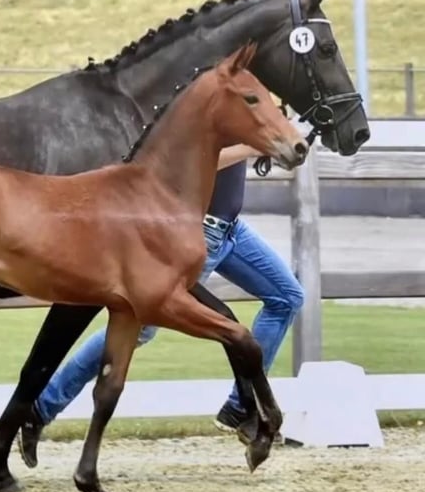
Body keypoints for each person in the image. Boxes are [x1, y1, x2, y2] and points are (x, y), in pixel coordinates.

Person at [17, 144, 305, 467]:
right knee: (138, 330)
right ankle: (40, 408)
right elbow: (192, 159)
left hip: (231, 229)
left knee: (287, 296)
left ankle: (240, 406)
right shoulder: (213, 111)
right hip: (197, 231)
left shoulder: (245, 114)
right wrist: (251, 146)